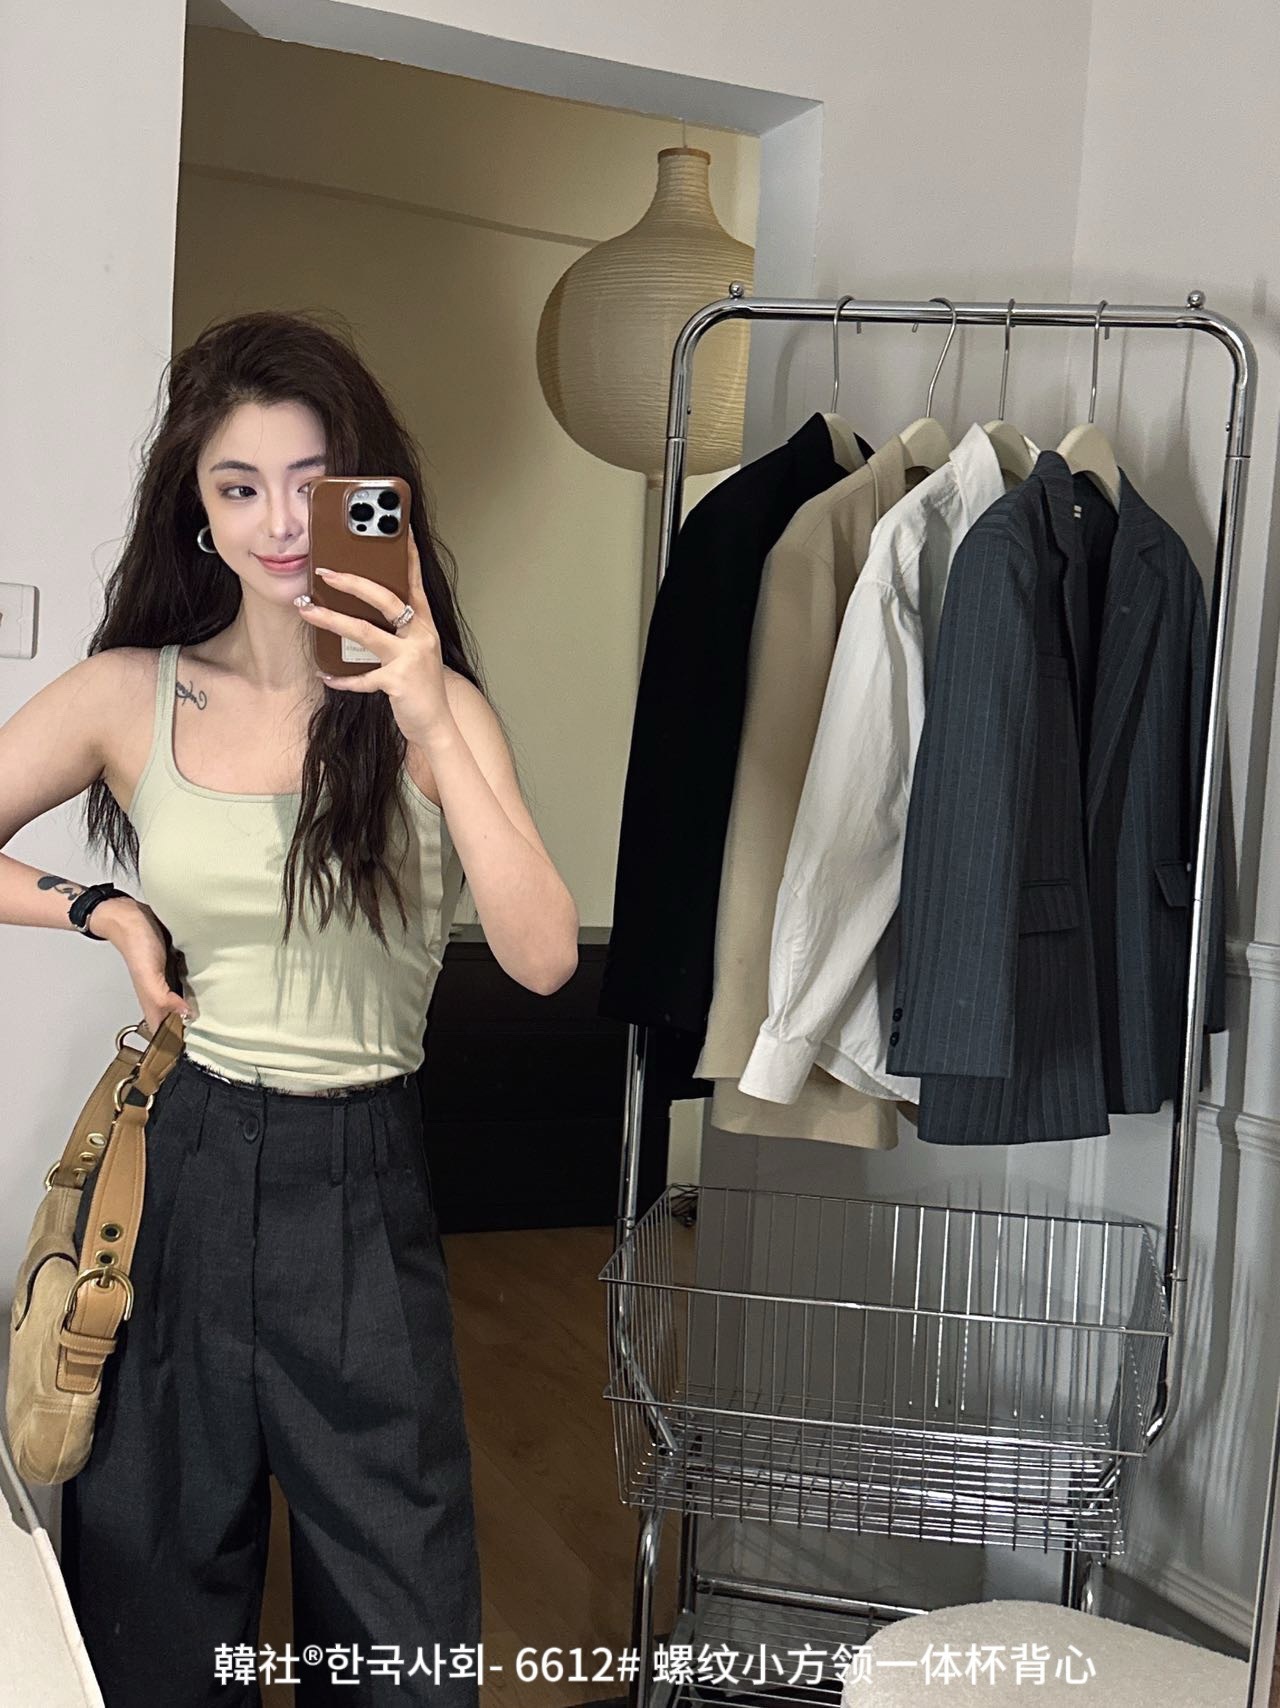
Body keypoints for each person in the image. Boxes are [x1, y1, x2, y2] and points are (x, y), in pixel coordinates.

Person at [0, 307, 580, 1706]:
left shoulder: (434, 713)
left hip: (359, 1181)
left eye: (312, 485)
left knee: (400, 1616)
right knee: (152, 1585)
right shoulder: (130, 694)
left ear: (368, 498)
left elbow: (546, 958)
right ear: (195, 512)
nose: (278, 523)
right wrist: (100, 909)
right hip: (183, 1163)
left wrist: (427, 710)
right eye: (239, 486)